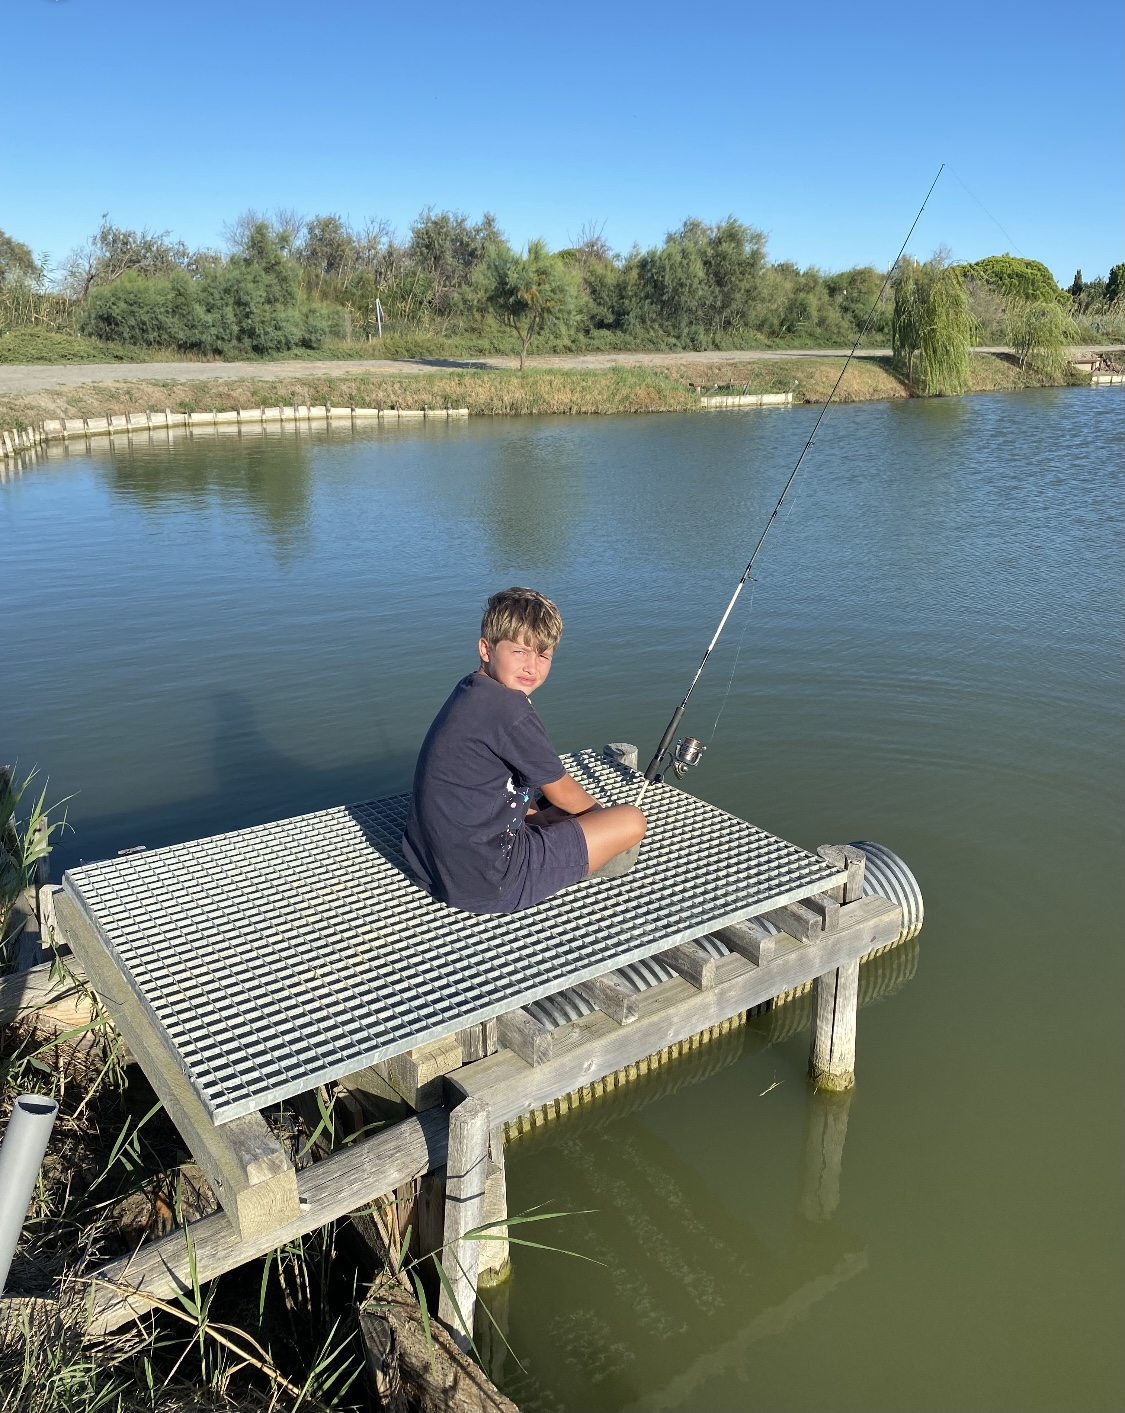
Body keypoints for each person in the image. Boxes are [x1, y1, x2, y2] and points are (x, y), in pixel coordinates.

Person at [402, 587, 647, 914]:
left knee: (549, 808)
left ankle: (558, 836)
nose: (532, 666)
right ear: (486, 649)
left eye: (543, 655)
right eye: (520, 651)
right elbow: (562, 792)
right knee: (631, 820)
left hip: (431, 866)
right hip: (490, 882)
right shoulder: (510, 710)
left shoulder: (470, 689)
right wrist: (600, 817)